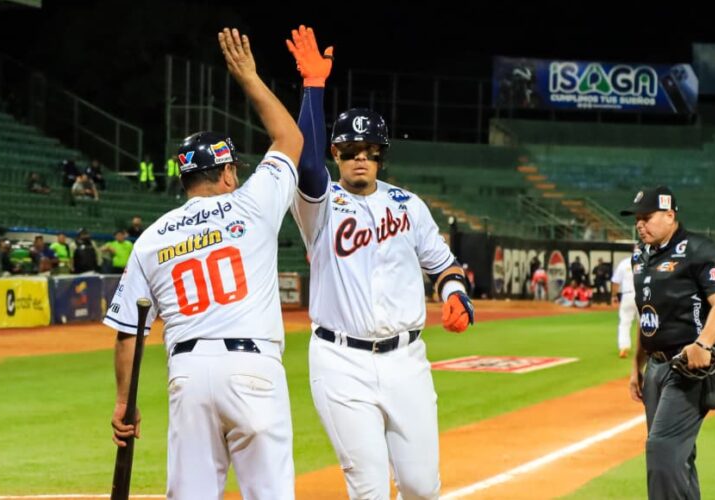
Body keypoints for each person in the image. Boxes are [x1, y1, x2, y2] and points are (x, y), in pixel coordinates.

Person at [105, 27, 303, 500]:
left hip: (188, 374)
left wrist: (124, 402)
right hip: (252, 368)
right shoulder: (252, 204)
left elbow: (128, 333)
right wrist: (248, 76)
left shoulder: (152, 238)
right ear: (229, 172)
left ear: (185, 179)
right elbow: (289, 137)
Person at [286, 26, 474, 499]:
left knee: (421, 488)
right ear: (335, 154)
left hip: (406, 361)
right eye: (349, 152)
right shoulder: (318, 205)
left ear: (380, 157)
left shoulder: (409, 205)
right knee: (368, 489)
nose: (360, 160)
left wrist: (456, 294)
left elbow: (444, 265)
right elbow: (305, 167)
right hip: (340, 361)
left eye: (369, 153)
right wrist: (313, 88)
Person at [621, 186, 715, 499]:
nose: (639, 224)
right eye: (637, 219)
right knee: (677, 458)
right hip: (656, 367)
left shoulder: (700, 249)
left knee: (662, 450)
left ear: (670, 215)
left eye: (646, 217)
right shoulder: (640, 255)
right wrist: (636, 366)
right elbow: (647, 314)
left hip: (689, 368)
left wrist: (704, 344)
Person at [611, 254, 638, 358]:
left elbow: (615, 281)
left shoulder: (624, 262)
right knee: (645, 324)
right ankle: (647, 348)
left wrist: (614, 295)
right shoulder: (647, 260)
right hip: (643, 295)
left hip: (627, 295)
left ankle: (624, 347)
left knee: (624, 323)